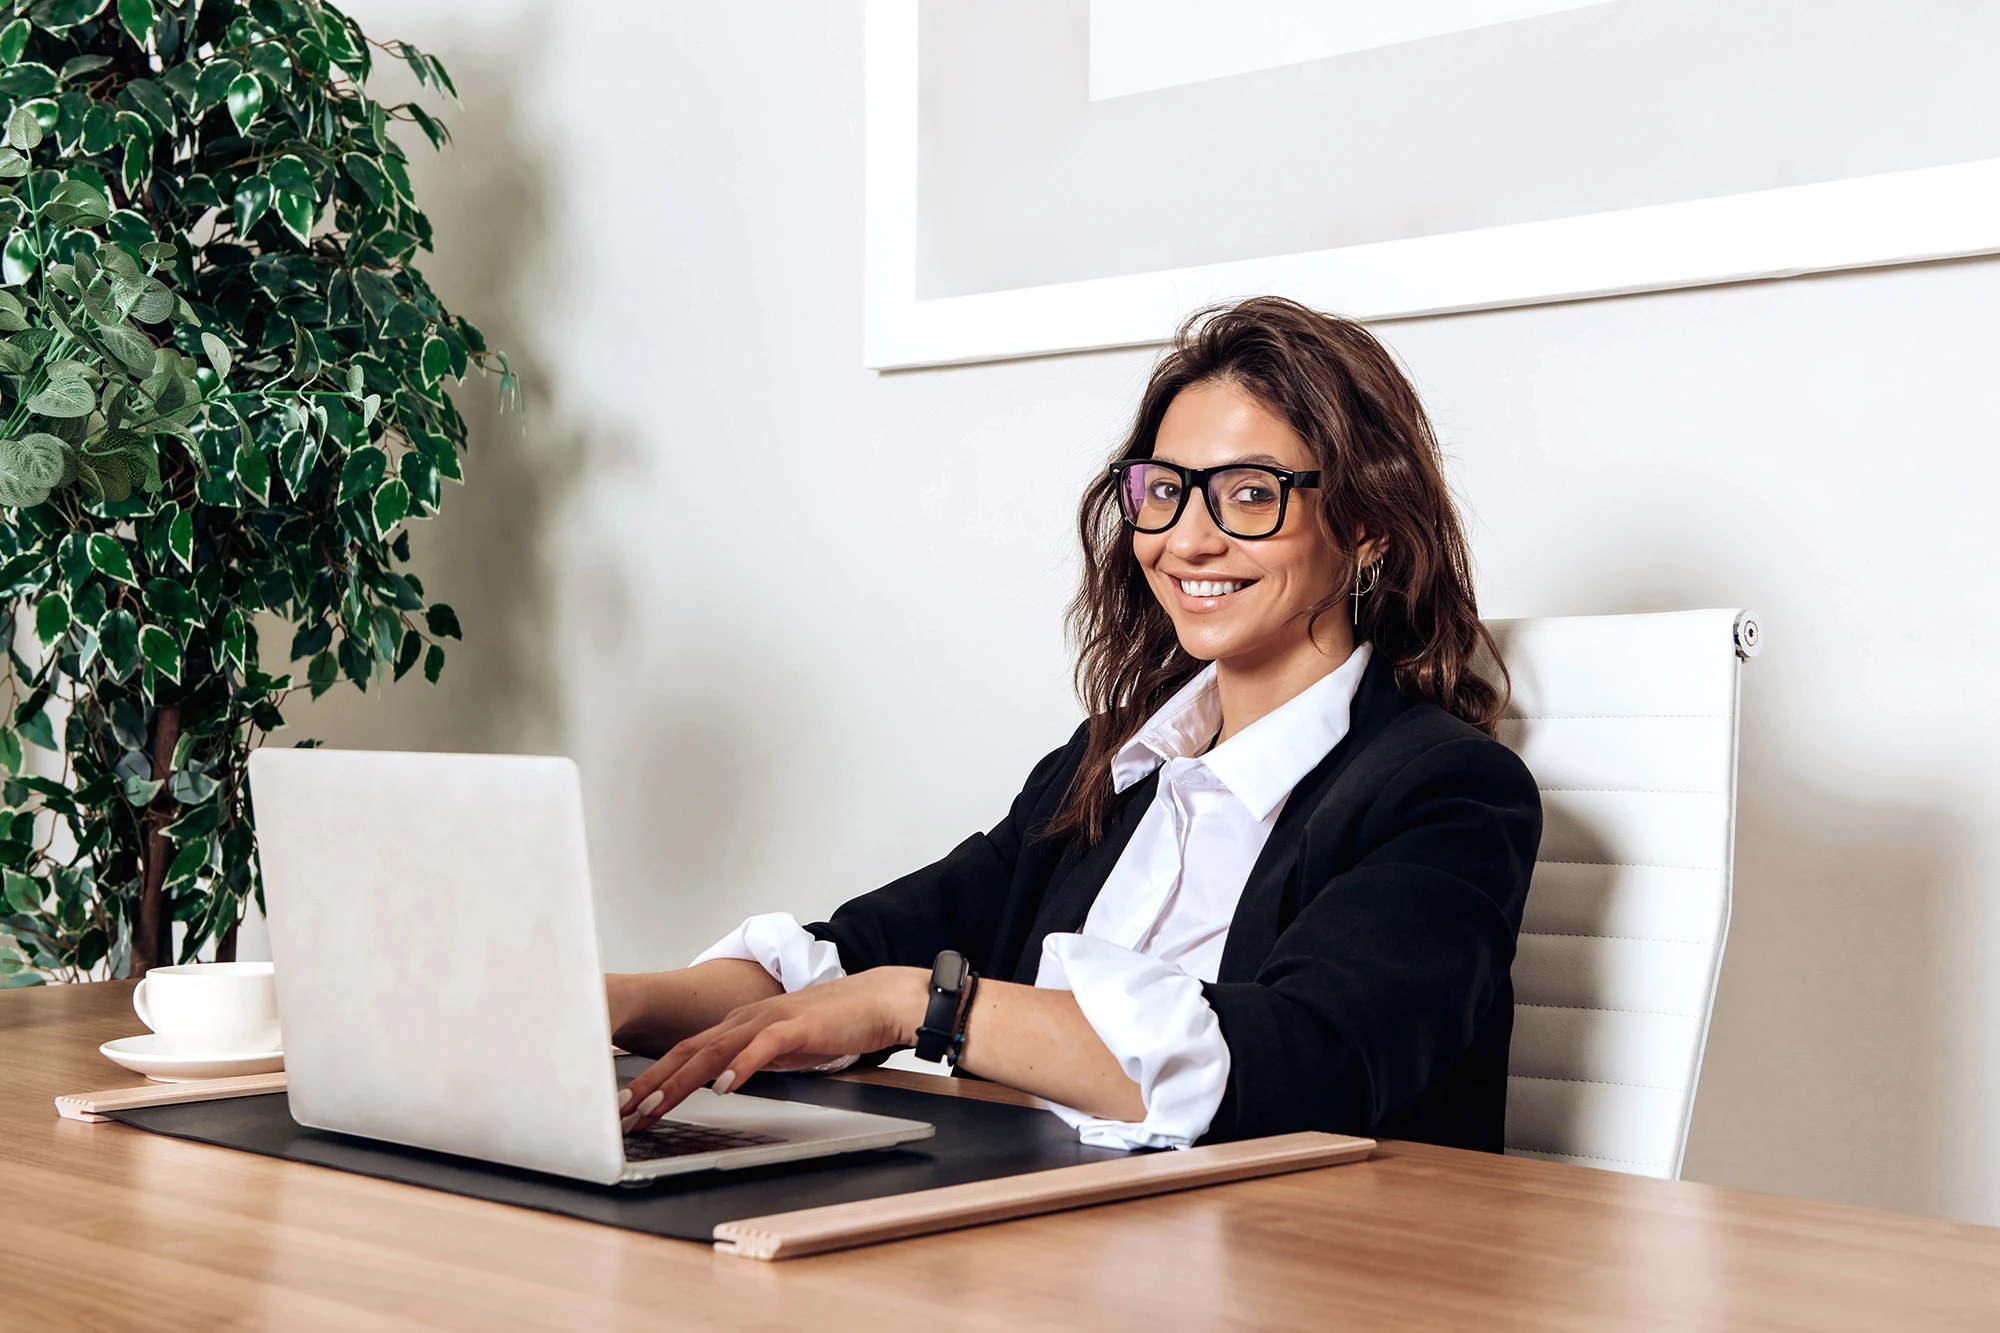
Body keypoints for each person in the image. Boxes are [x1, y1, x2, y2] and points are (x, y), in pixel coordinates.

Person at [607, 297, 1542, 1152]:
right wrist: (608, 1006)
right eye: (1165, 489)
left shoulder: (1447, 792)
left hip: (1293, 1264)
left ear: (1369, 523)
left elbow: (1306, 1064)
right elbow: (852, 957)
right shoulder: (1110, 767)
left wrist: (925, 1007)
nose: (1188, 538)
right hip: (1038, 1225)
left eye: (1251, 492)